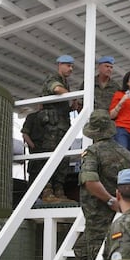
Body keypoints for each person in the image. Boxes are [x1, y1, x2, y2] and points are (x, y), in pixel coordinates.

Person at [74, 109, 130, 260]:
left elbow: (90, 180)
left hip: (98, 220)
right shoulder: (126, 154)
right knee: (81, 249)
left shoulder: (93, 151)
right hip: (121, 216)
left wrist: (110, 200)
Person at [40, 55, 78, 203]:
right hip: (51, 128)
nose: (71, 69)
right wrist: (71, 95)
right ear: (60, 64)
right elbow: (55, 89)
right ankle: (47, 191)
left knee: (63, 160)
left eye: (72, 66)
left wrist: (71, 107)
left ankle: (59, 190)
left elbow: (59, 107)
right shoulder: (54, 78)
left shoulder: (65, 83)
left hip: (61, 126)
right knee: (50, 157)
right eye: (68, 65)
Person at [21, 105, 45, 186]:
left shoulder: (54, 118)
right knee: (34, 181)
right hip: (37, 152)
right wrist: (33, 146)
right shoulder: (33, 117)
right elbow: (25, 134)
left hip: (49, 151)